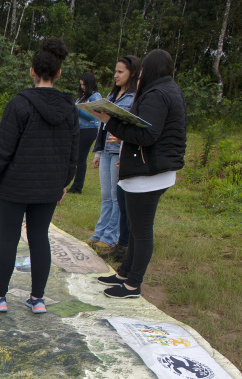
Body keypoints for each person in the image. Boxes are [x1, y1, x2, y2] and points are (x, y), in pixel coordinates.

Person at [0, 37, 79, 314]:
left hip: (15, 186)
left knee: (9, 238)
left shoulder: (19, 105)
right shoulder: (70, 110)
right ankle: (38, 299)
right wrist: (64, 182)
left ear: (32, 71)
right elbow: (73, 151)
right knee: (39, 237)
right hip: (48, 187)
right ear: (59, 73)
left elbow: (2, 150)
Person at [92, 49, 186, 299]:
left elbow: (147, 135)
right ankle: (125, 273)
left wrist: (112, 122)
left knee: (141, 230)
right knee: (135, 228)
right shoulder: (168, 90)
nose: (141, 74)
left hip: (149, 173)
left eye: (144, 69)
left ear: (152, 69)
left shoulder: (157, 94)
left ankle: (133, 285)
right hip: (152, 169)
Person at [89, 56, 140, 254]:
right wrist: (98, 151)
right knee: (106, 196)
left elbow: (133, 126)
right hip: (106, 150)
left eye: (120, 72)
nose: (116, 75)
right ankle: (99, 234)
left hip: (119, 151)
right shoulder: (112, 95)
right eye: (115, 71)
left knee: (116, 197)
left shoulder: (134, 97)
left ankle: (110, 238)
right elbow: (102, 127)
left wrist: (122, 141)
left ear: (132, 73)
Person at [67, 72, 102, 194]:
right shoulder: (83, 96)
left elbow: (95, 116)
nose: (82, 87)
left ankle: (77, 187)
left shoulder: (95, 97)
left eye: (84, 84)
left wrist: (78, 109)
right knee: (75, 157)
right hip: (79, 129)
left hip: (89, 130)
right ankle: (73, 183)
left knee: (80, 158)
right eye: (81, 84)